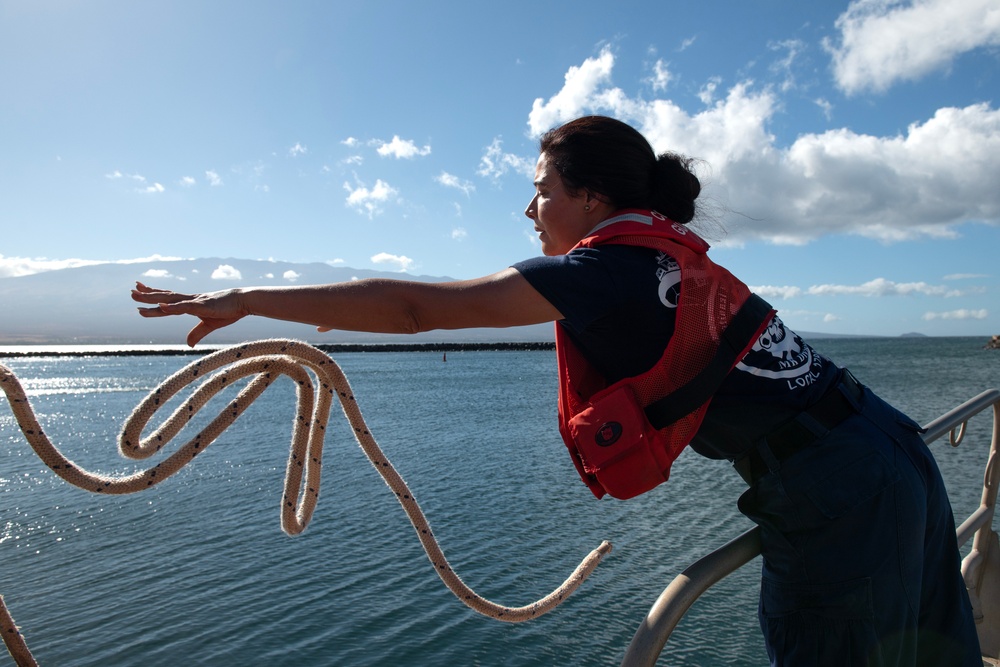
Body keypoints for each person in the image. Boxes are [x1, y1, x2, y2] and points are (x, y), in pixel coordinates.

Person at [132, 115, 981, 666]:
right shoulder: (663, 257)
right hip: (890, 446)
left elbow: (418, 307)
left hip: (836, 492)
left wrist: (248, 298)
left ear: (591, 196)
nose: (531, 210)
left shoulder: (606, 270)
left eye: (541, 192)